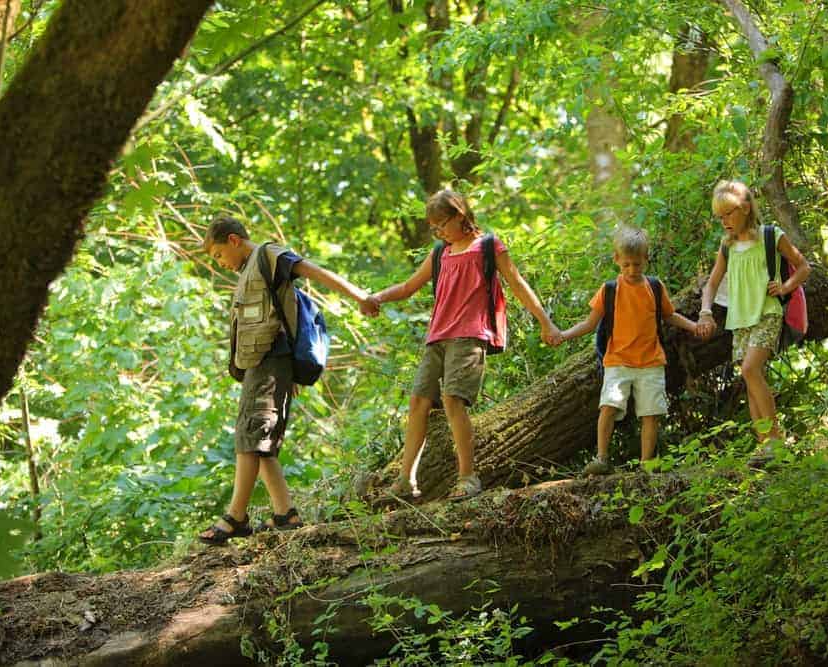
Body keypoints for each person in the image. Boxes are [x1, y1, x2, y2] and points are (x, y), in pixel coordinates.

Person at [365, 189, 562, 501]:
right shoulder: (440, 254)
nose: (438, 231)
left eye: (441, 224)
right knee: (418, 403)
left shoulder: (488, 246)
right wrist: (377, 297)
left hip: (471, 334)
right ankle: (406, 480)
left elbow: (517, 283)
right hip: (437, 337)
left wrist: (545, 322)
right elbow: (408, 286)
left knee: (452, 400)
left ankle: (468, 477)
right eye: (434, 228)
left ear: (460, 216)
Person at [198, 216, 378, 544]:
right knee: (258, 438)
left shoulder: (269, 257)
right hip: (260, 365)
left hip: (271, 362)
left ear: (235, 240)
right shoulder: (249, 270)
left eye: (219, 255)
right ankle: (286, 514)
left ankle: (236, 517)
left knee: (252, 435)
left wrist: (360, 296)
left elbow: (314, 272)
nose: (221, 263)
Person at [558, 226, 699, 474]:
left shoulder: (655, 287)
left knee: (650, 413)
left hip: (651, 361)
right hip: (617, 361)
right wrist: (562, 335)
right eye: (626, 265)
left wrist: (695, 326)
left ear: (646, 259)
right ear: (616, 260)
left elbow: (670, 315)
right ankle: (602, 458)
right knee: (608, 407)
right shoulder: (610, 290)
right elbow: (590, 323)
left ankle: (646, 465)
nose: (632, 270)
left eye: (637, 264)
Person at [695, 180, 810, 459]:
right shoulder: (727, 247)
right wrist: (706, 310)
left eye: (729, 214)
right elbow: (711, 284)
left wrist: (785, 287)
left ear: (745, 208)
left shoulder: (771, 236)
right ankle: (764, 445)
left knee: (749, 370)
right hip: (740, 319)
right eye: (720, 217)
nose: (724, 222)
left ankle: (775, 441)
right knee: (750, 377)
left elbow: (804, 267)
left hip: (767, 313)